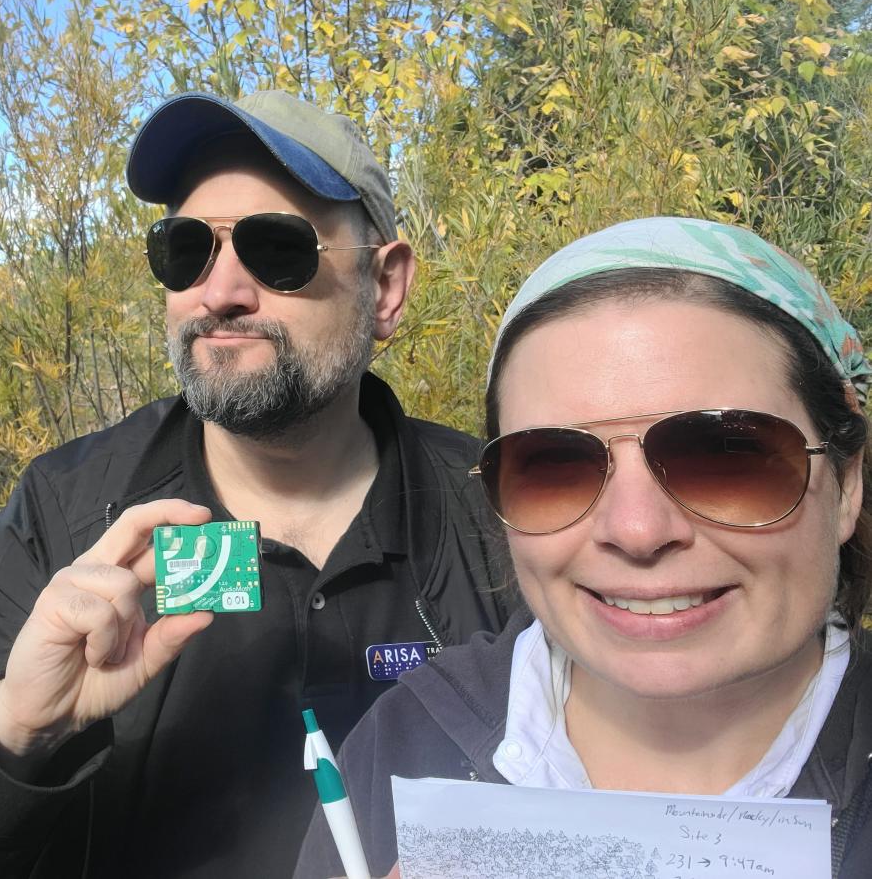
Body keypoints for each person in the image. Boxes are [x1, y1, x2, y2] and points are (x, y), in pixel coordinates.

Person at [0, 90, 511, 878]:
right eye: (187, 249)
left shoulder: (501, 517)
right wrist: (13, 734)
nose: (218, 292)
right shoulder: (68, 512)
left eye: (277, 248)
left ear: (385, 288)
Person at [295, 216, 872, 879]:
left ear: (847, 483)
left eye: (725, 456)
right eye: (553, 467)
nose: (637, 530)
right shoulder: (405, 738)